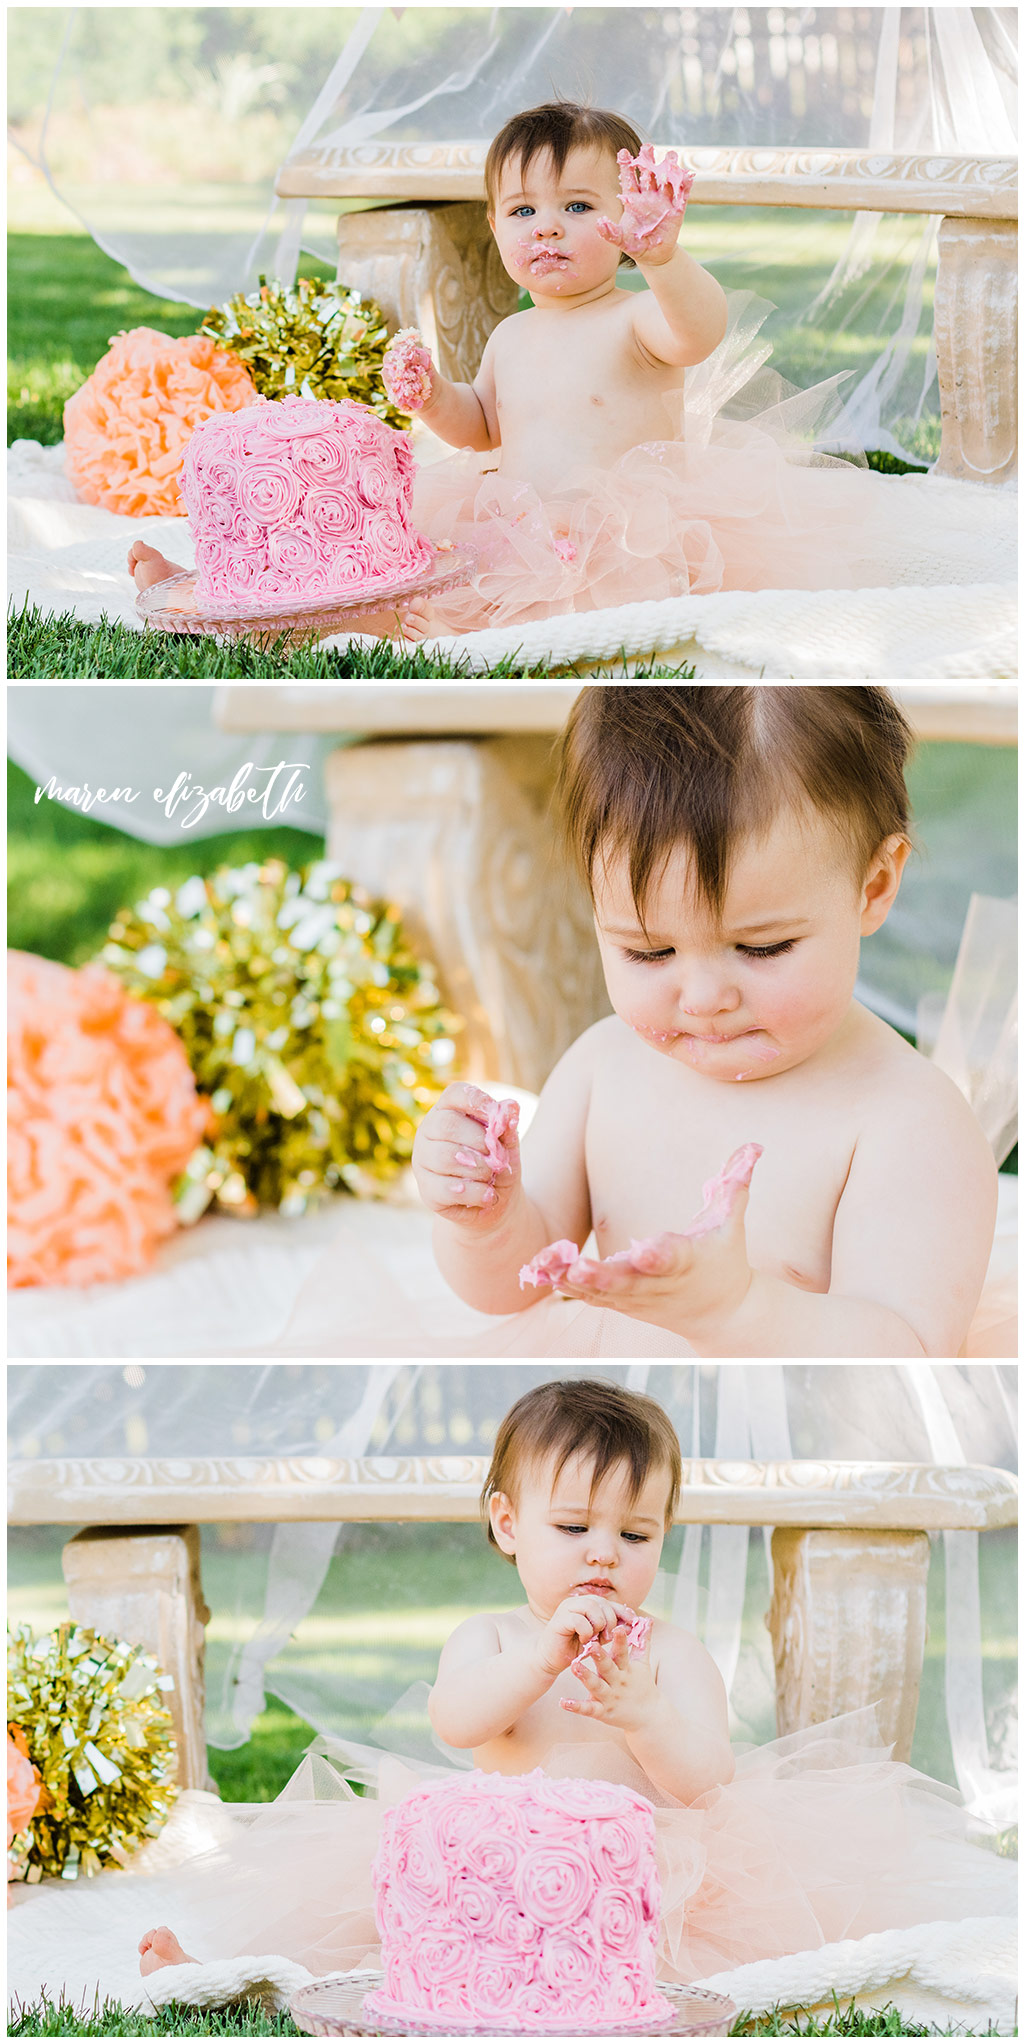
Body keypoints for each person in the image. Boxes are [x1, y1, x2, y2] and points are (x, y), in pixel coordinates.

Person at [132, 1378, 1013, 1992]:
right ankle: (224, 1975)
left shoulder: (667, 1652)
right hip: (494, 1866)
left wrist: (647, 1715)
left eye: (635, 1534)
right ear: (508, 1524)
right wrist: (536, 1665)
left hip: (644, 1875)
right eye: (573, 1525)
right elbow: (457, 1724)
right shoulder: (492, 1637)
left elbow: (708, 1778)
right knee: (385, 1930)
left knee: (691, 1967)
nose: (604, 1552)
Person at [125, 101, 990, 639]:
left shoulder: (634, 316)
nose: (547, 228)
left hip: (618, 536)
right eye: (521, 210)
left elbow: (700, 330)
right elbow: (484, 426)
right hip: (512, 522)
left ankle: (247, 616)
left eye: (579, 207)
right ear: (496, 225)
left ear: (626, 219)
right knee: (406, 577)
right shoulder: (509, 337)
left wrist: (664, 258)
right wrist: (433, 399)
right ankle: (217, 598)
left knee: (441, 617)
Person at [410, 686, 998, 1359]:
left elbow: (911, 1350)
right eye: (649, 951)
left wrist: (740, 1311)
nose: (703, 998)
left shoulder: (906, 1119)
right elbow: (513, 1285)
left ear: (872, 888)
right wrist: (485, 1222)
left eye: (762, 947)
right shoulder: (602, 1068)